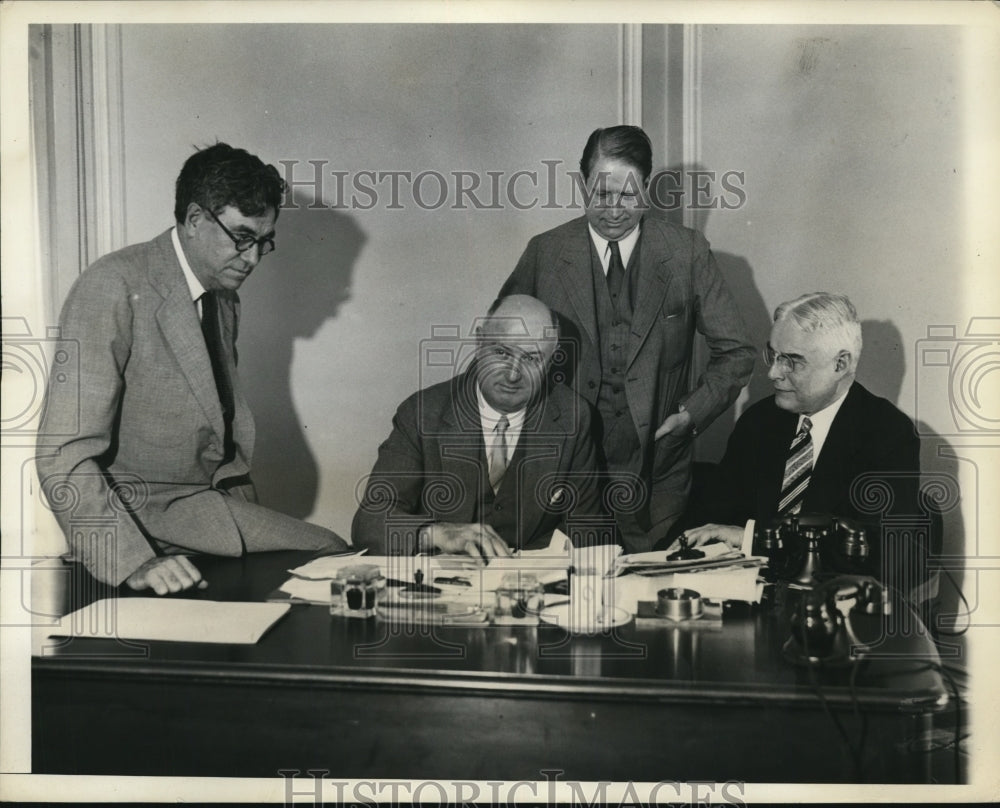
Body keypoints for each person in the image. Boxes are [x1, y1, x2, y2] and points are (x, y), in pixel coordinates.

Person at [36, 142, 347, 595]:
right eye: (242, 238)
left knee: (334, 553)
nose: (253, 259)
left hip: (202, 508)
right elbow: (62, 453)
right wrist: (133, 563)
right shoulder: (113, 284)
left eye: (264, 242)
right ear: (196, 220)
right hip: (136, 518)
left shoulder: (222, 298)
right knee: (326, 561)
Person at [501, 125, 755, 552]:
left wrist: (691, 415)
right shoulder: (545, 253)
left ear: (648, 189)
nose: (614, 210)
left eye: (628, 195)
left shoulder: (687, 252)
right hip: (561, 474)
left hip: (655, 478)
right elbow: (499, 349)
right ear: (583, 185)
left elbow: (737, 352)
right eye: (601, 195)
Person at [670, 292, 924, 592]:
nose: (774, 373)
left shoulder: (887, 432)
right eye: (773, 355)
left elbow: (879, 553)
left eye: (792, 361)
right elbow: (713, 512)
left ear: (840, 364)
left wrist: (752, 538)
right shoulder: (760, 420)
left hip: (829, 607)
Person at [352, 295, 607, 559]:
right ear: (479, 341)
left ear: (551, 360)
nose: (512, 375)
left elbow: (587, 530)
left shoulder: (572, 417)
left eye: (532, 359)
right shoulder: (423, 413)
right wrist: (438, 534)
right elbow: (369, 522)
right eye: (501, 353)